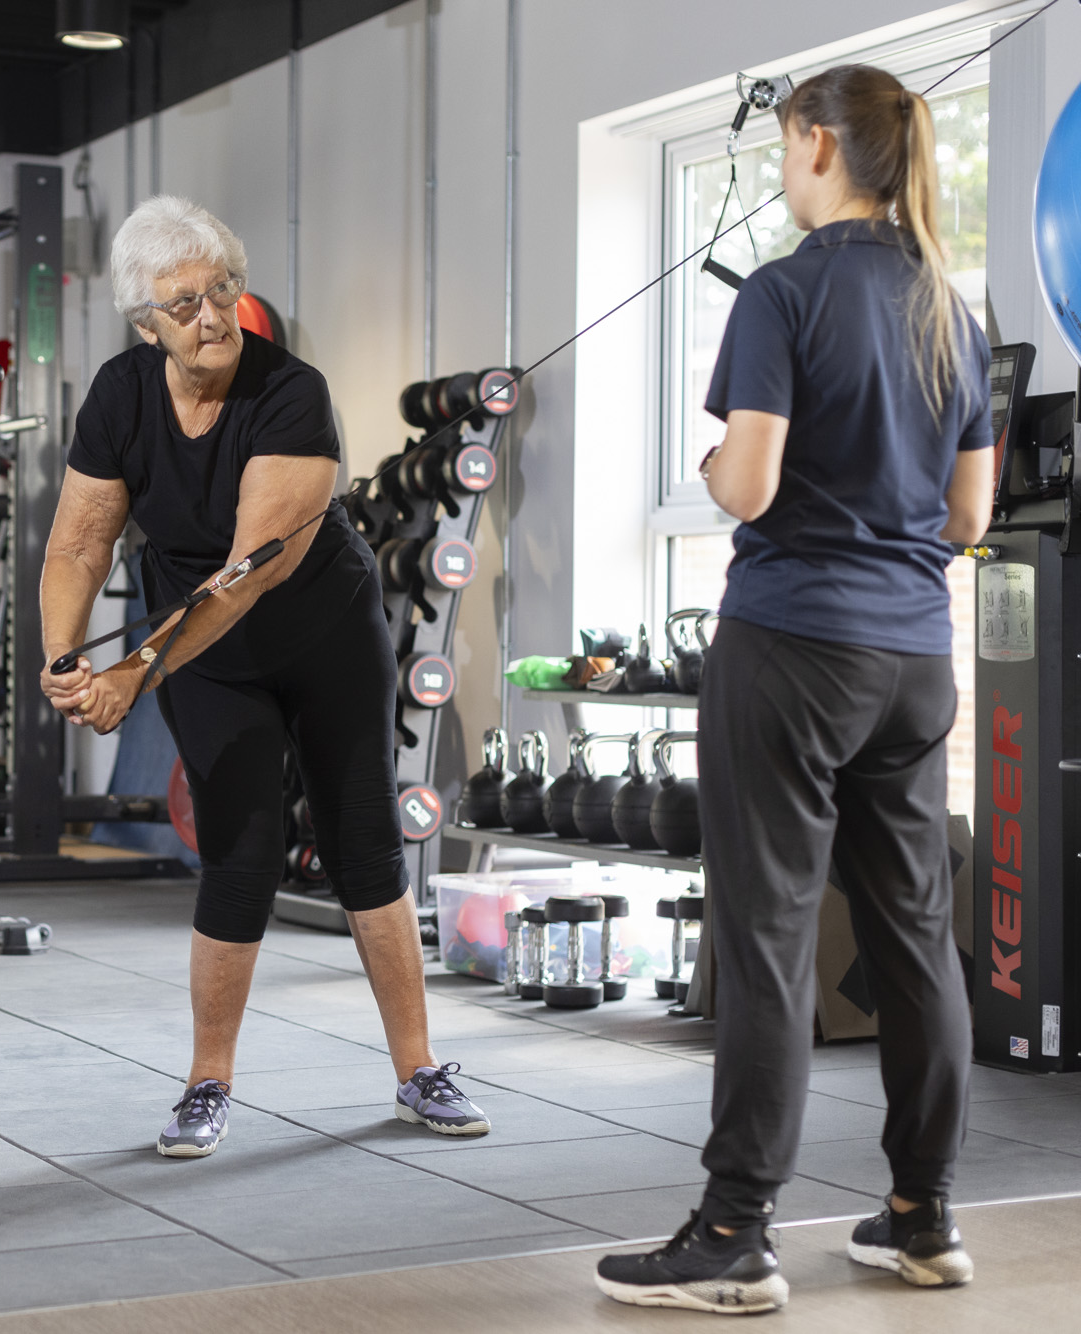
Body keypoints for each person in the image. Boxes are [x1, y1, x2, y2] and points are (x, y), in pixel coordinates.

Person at [595, 65, 992, 1314]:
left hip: (790, 643)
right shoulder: (954, 308)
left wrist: (714, 462)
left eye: (783, 150)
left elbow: (749, 487)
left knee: (765, 941)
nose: (779, 172)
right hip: (915, 660)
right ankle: (923, 1217)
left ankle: (731, 1231)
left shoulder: (780, 293)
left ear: (819, 144)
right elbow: (967, 516)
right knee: (913, 935)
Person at [38, 195, 490, 1160]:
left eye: (224, 292)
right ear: (145, 323)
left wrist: (137, 672)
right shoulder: (120, 396)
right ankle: (208, 1084)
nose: (212, 317)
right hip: (207, 649)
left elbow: (249, 570)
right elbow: (78, 540)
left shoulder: (291, 391)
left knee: (364, 841)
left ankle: (418, 1070)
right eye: (187, 303)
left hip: (318, 627)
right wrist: (67, 662)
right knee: (238, 851)